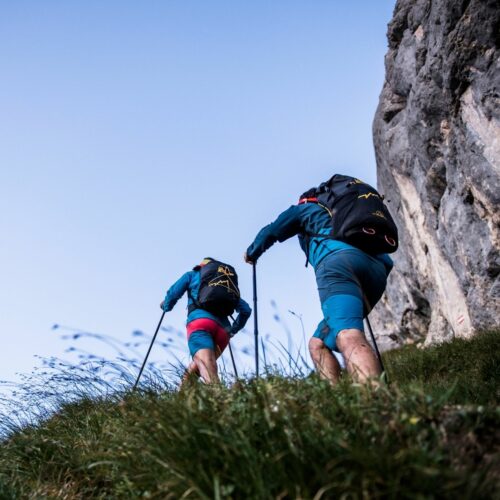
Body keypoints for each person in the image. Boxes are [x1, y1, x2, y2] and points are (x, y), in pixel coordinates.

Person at [244, 179, 394, 385]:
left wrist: (252, 253)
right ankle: (337, 398)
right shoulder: (349, 213)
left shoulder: (306, 208)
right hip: (378, 270)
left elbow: (272, 231)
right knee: (318, 343)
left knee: (348, 334)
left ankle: (376, 402)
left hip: (339, 266)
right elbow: (387, 259)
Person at [161, 257, 251, 384]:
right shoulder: (225, 286)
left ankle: (221, 399)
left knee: (208, 369)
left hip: (201, 324)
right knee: (198, 366)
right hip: (223, 332)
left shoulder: (192, 275)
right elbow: (246, 310)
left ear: (201, 266)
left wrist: (166, 305)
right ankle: (180, 400)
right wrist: (232, 331)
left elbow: (173, 294)